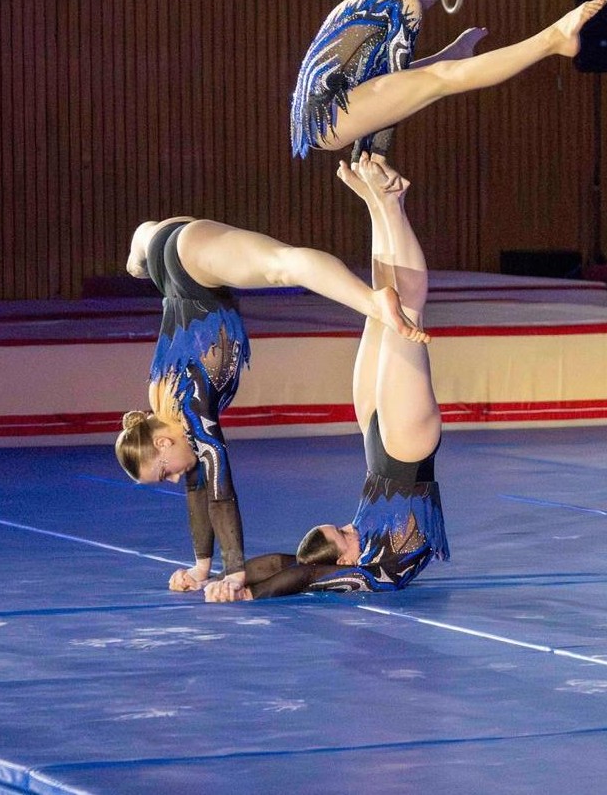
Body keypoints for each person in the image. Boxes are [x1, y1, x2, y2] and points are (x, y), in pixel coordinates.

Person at [114, 213, 430, 600]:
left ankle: (372, 301)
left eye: (164, 472)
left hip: (192, 268)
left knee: (282, 266)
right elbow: (199, 489)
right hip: (164, 253)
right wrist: (201, 567)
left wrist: (234, 573)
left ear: (162, 443)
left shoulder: (193, 411)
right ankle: (139, 249)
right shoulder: (163, 406)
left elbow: (220, 494)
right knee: (145, 256)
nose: (174, 479)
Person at [204, 153, 448, 601]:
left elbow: (284, 563)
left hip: (378, 445)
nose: (350, 526)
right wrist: (254, 596)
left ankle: (378, 204)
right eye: (344, 535)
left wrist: (232, 576)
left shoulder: (356, 551)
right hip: (407, 452)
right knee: (406, 313)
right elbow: (303, 576)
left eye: (340, 527)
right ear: (344, 563)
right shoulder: (377, 572)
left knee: (382, 309)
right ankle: (389, 204)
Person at [290, 0, 607, 161]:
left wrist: (452, 54)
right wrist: (376, 157)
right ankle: (551, 39)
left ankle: (471, 52)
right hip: (330, 116)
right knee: (442, 78)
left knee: (433, 77)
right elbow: (396, 86)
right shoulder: (405, 2)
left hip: (318, 117)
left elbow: (387, 84)